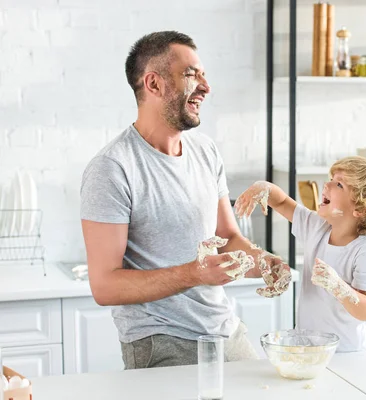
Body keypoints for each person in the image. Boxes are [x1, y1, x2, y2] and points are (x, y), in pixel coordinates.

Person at [79, 31, 291, 369]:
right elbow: (105, 286)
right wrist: (194, 274)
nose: (206, 86)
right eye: (191, 75)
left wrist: (264, 262)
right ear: (153, 84)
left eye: (203, 74)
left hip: (226, 330)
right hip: (162, 341)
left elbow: (228, 238)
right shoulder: (112, 168)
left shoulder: (205, 151)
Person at [235, 156, 366, 352]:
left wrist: (338, 287)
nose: (327, 185)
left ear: (361, 208)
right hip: (307, 349)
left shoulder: (365, 252)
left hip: (346, 353)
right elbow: (281, 203)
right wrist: (263, 187)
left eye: (339, 184)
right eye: (330, 179)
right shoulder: (317, 227)